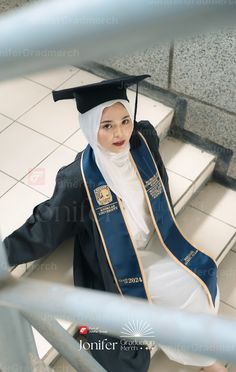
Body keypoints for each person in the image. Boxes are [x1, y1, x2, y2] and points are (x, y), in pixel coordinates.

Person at [3, 75, 227, 372]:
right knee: (126, 338)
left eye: (124, 121)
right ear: (90, 128)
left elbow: (160, 183)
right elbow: (47, 223)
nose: (120, 133)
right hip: (115, 261)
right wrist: (5, 254)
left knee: (196, 287)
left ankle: (205, 360)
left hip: (157, 243)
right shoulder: (78, 179)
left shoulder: (144, 141)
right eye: (106, 126)